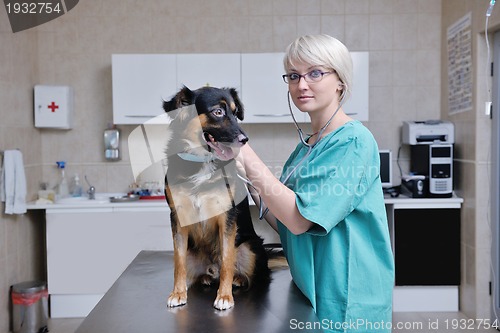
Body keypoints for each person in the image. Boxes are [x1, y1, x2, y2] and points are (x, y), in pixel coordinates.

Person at [236, 34, 395, 332]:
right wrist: (244, 177)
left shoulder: (353, 141)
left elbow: (299, 221)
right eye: (293, 76)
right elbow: (284, 220)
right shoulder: (305, 148)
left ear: (340, 81)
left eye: (315, 73)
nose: (301, 85)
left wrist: (244, 150)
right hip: (311, 290)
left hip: (347, 300)